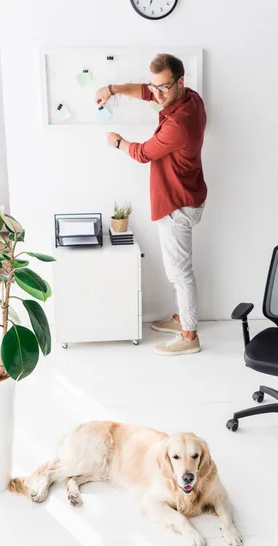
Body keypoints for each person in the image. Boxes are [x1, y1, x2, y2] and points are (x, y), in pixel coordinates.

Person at [95, 53, 207, 356]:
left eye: (163, 88)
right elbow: (147, 92)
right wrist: (113, 88)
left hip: (177, 204)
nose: (157, 94)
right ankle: (182, 317)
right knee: (178, 269)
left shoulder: (180, 123)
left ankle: (189, 335)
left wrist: (118, 142)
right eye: (155, 87)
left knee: (179, 273)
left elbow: (143, 153)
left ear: (180, 82)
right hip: (186, 194)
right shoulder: (187, 98)